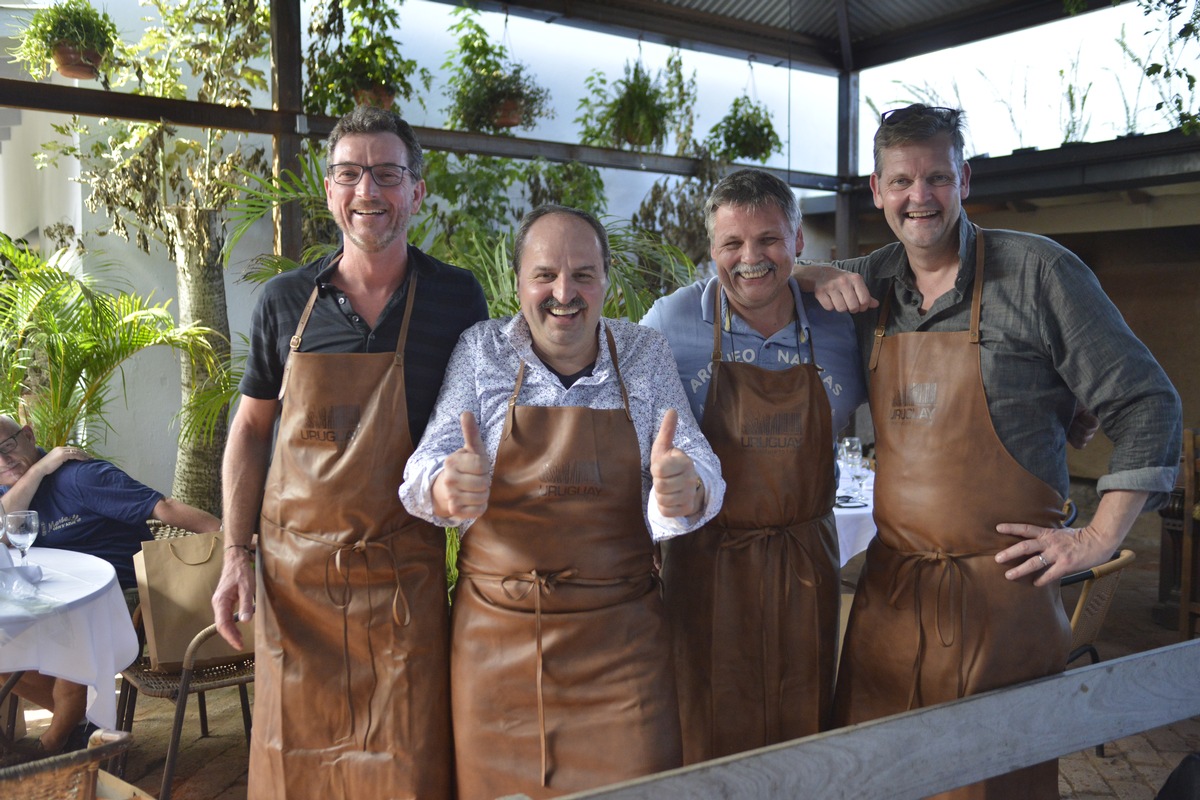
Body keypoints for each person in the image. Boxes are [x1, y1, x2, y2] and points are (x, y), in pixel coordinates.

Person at [796, 103, 1181, 799]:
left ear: (963, 179)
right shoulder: (870, 282)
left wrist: (1098, 537)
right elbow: (758, 266)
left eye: (937, 177)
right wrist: (809, 274)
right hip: (893, 600)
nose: (921, 197)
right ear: (877, 190)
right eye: (903, 181)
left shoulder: (1039, 274)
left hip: (1003, 604)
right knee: (875, 781)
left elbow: (1150, 404)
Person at [210, 106, 488, 800]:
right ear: (329, 191)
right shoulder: (284, 301)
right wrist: (234, 555)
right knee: (294, 763)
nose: (369, 191)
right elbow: (248, 431)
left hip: (402, 584)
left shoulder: (456, 298)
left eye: (388, 174)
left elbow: (481, 428)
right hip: (295, 585)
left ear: (417, 192)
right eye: (350, 173)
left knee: (406, 764)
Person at [400, 204, 725, 800]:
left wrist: (687, 488)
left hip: (622, 649)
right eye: (545, 275)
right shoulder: (481, 352)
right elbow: (422, 467)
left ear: (606, 281)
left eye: (583, 274)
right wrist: (445, 487)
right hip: (497, 644)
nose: (564, 293)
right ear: (519, 283)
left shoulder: (644, 354)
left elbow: (697, 461)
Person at [639, 168, 866, 762]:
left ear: (797, 242)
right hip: (705, 560)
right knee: (706, 725)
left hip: (805, 561)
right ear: (710, 250)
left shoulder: (844, 321)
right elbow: (622, 426)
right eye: (732, 244)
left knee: (801, 721)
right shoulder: (670, 322)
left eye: (768, 240)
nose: (750, 258)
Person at [0, 414, 219, 759]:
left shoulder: (81, 476)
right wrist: (38, 470)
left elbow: (163, 507)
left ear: (28, 434)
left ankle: (50, 748)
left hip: (123, 596)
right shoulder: (13, 490)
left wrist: (234, 541)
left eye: (7, 445)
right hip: (54, 598)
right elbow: (3, 526)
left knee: (74, 630)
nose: (3, 460)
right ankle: (81, 726)